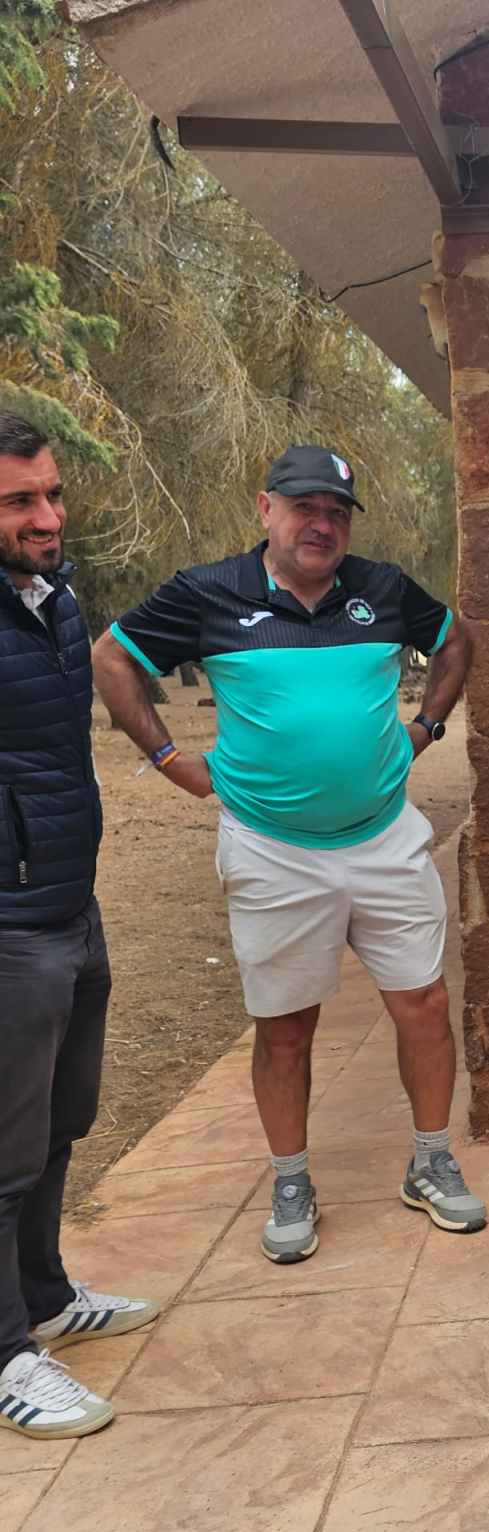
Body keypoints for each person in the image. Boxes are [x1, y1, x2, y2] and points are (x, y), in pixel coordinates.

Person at [92, 445, 484, 1265]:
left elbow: (454, 641)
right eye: (305, 507)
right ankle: (292, 1180)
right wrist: (168, 759)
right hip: (273, 851)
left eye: (337, 513)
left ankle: (430, 1161)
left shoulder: (382, 589)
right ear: (265, 508)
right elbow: (113, 656)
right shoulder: (208, 592)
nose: (322, 525)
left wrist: (425, 728)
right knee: (285, 1029)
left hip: (384, 837)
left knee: (422, 1003)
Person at [0, 412, 158, 1441]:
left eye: (53, 494)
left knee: (61, 1119)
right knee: (3, 1146)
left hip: (70, 900)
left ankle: (46, 1296)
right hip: (8, 921)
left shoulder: (54, 601)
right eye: (20, 502)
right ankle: (4, 1352)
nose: (49, 517)